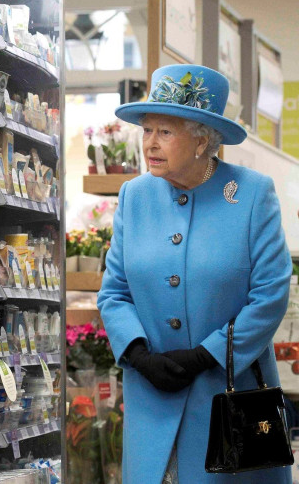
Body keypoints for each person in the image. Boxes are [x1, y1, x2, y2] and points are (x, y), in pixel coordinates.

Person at [97, 64, 292, 484]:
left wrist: (208, 354)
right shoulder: (135, 195)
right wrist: (136, 354)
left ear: (203, 138)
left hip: (227, 397)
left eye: (165, 132)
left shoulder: (252, 193)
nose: (150, 143)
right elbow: (114, 292)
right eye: (146, 130)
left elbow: (271, 293)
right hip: (151, 397)